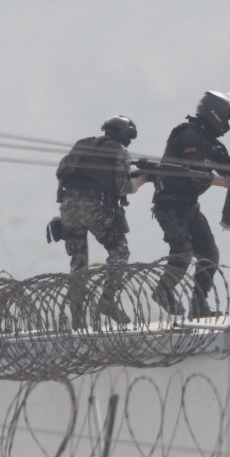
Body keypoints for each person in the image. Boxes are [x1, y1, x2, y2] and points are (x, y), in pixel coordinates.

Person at [150, 91, 230, 319]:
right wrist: (222, 182)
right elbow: (191, 172)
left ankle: (198, 305)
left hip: (189, 206)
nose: (227, 125)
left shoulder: (211, 144)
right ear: (215, 114)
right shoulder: (188, 135)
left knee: (209, 254)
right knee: (182, 253)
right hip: (170, 205)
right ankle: (163, 291)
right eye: (228, 118)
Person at [55, 115, 146, 328]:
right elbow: (123, 188)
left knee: (78, 263)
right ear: (124, 134)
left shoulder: (83, 144)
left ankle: (77, 317)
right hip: (93, 208)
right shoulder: (119, 152)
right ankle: (108, 300)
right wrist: (143, 179)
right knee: (119, 252)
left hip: (68, 209)